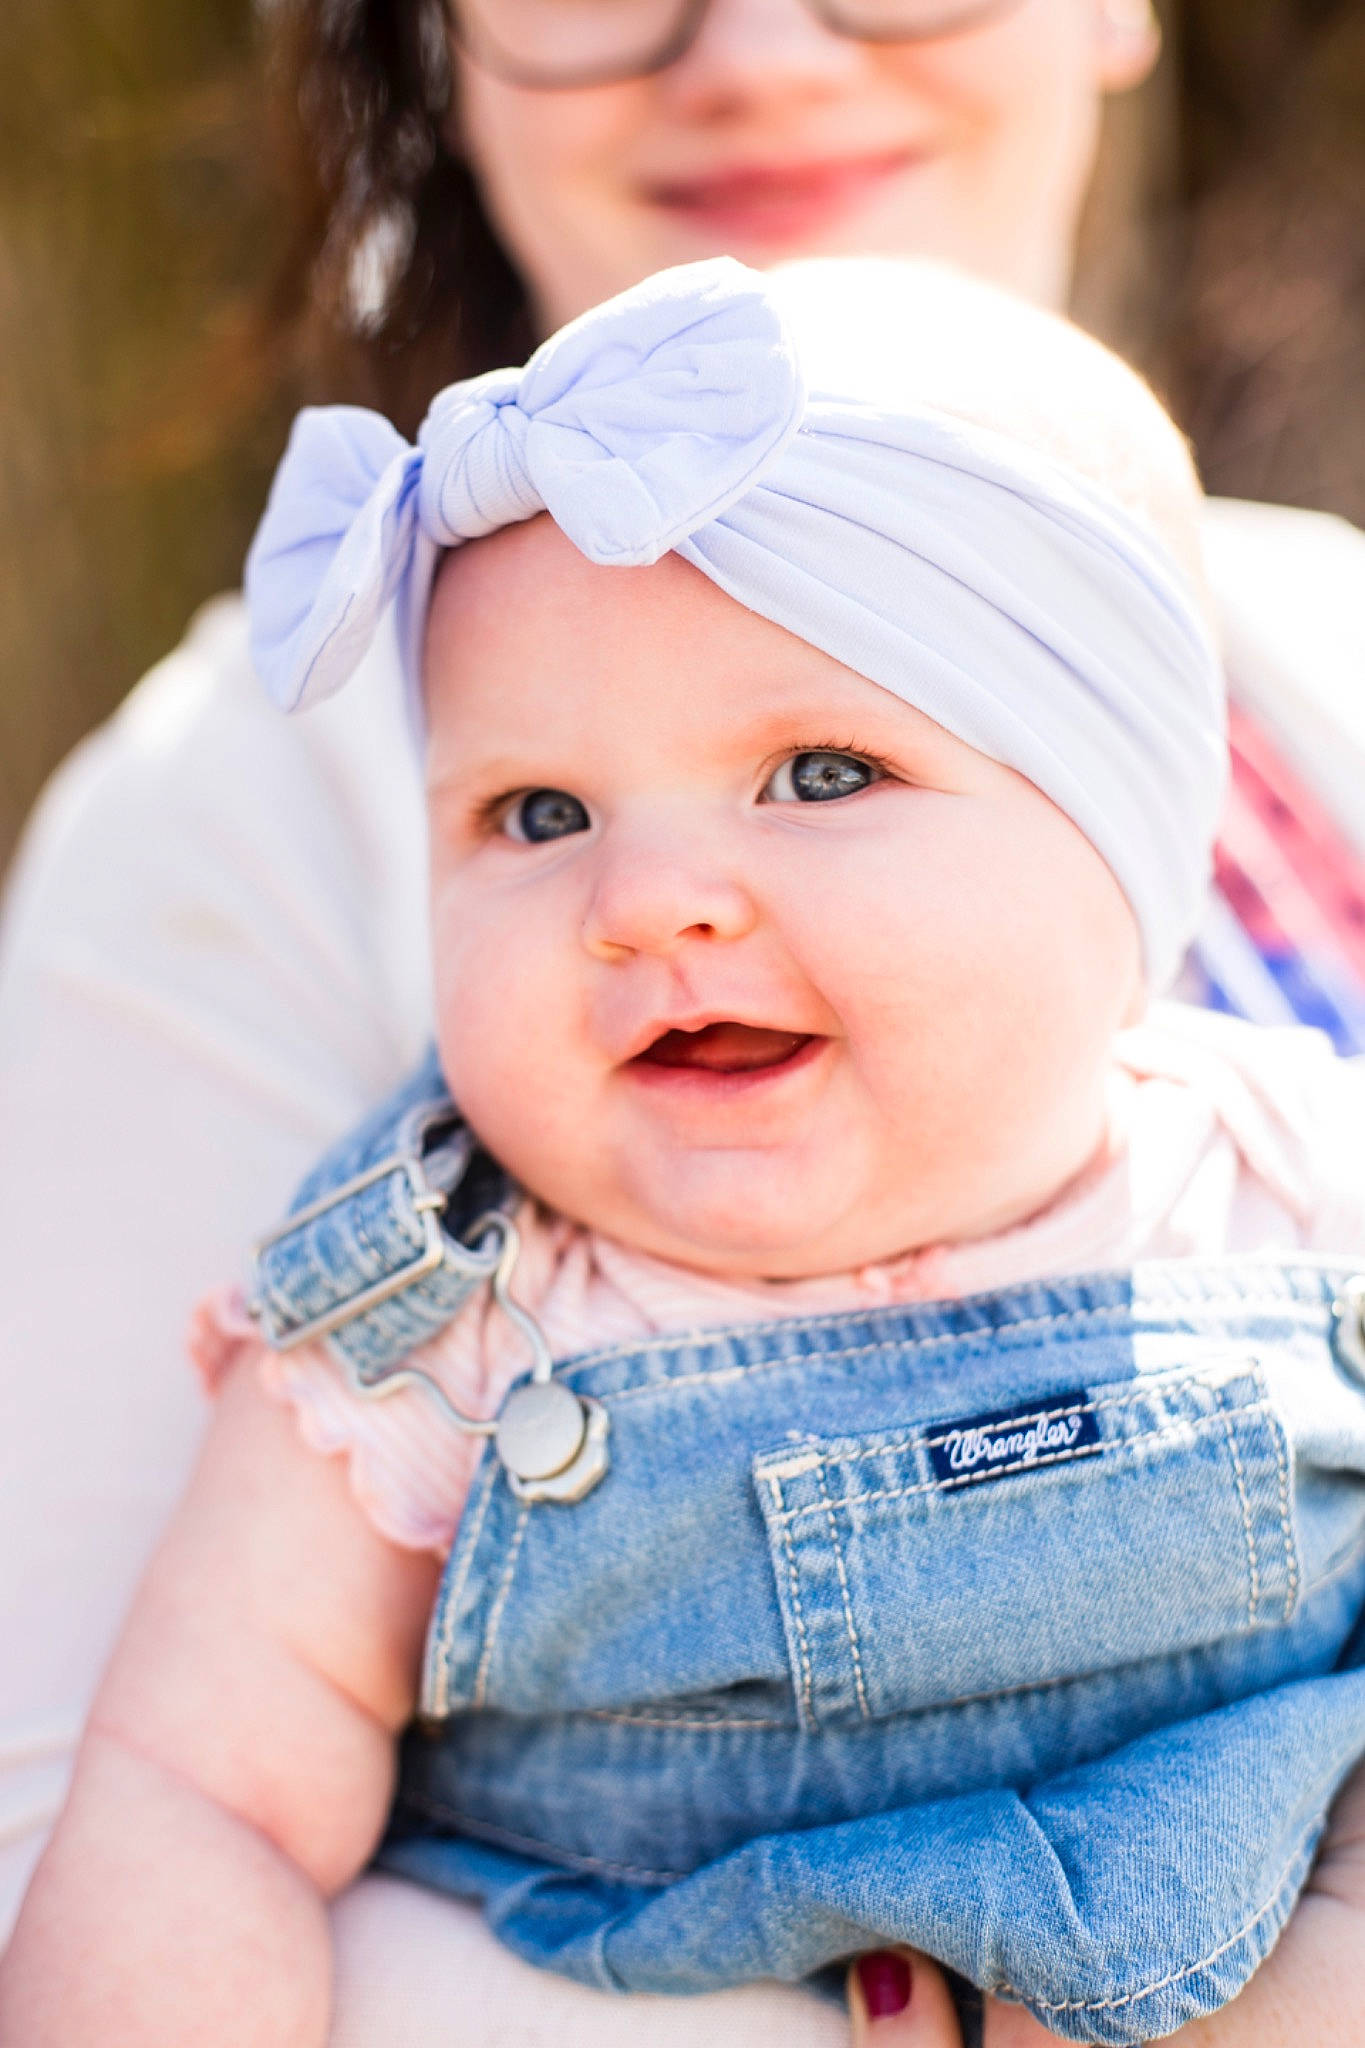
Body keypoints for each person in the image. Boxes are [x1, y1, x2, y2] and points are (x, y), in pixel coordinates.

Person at [2, 3, 1364, 2043]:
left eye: (819, 773)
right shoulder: (426, 1341)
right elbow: (169, 1797)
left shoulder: (1285, 1174)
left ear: (1131, 860)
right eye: (532, 816)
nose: (648, 898)